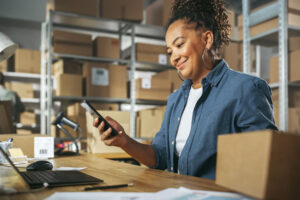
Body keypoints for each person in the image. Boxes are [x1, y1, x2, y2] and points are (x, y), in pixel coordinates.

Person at [93, 0, 278, 180]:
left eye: (179, 45)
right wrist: (124, 141)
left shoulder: (245, 89)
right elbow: (159, 157)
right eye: (169, 51)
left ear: (207, 39)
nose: (174, 58)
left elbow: (266, 164)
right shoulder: (176, 100)